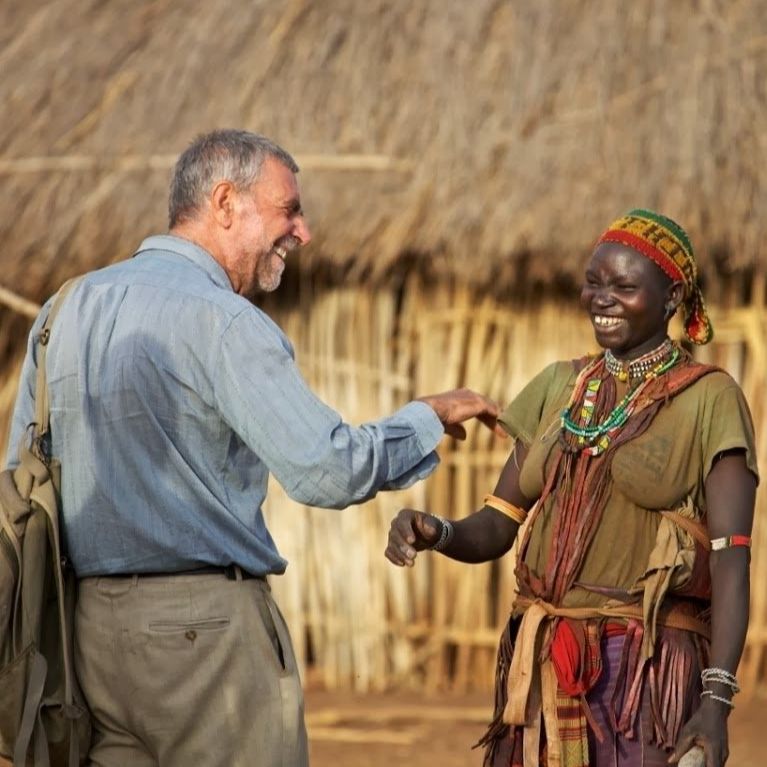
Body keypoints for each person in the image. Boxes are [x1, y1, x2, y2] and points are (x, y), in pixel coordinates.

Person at [5, 129, 504, 767]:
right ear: (225, 203)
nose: (303, 231)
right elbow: (327, 471)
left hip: (85, 635)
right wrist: (426, 417)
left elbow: (23, 477)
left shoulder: (62, 310)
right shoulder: (224, 321)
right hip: (206, 639)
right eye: (289, 209)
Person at [386, 209, 758, 767]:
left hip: (644, 678)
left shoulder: (709, 399)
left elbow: (733, 562)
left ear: (671, 297)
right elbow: (495, 526)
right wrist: (435, 531)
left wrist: (716, 702)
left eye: (625, 287)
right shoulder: (560, 386)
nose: (601, 298)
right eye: (594, 281)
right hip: (542, 668)